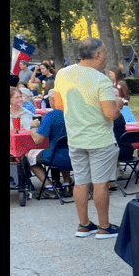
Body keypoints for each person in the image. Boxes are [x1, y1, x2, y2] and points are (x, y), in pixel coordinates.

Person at [54, 37, 122, 240]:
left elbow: (58, 105)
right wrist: (119, 103)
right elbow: (110, 113)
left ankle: (84, 224)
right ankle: (104, 227)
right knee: (101, 183)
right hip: (100, 138)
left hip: (75, 137)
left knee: (81, 182)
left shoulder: (62, 74)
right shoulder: (100, 79)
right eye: (106, 54)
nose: (106, 58)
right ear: (98, 54)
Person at [27, 89, 73, 199]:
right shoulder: (73, 113)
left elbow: (38, 140)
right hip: (78, 156)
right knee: (65, 146)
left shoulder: (51, 116)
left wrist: (33, 126)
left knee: (29, 156)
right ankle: (66, 184)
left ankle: (50, 188)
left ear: (53, 100)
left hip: (56, 157)